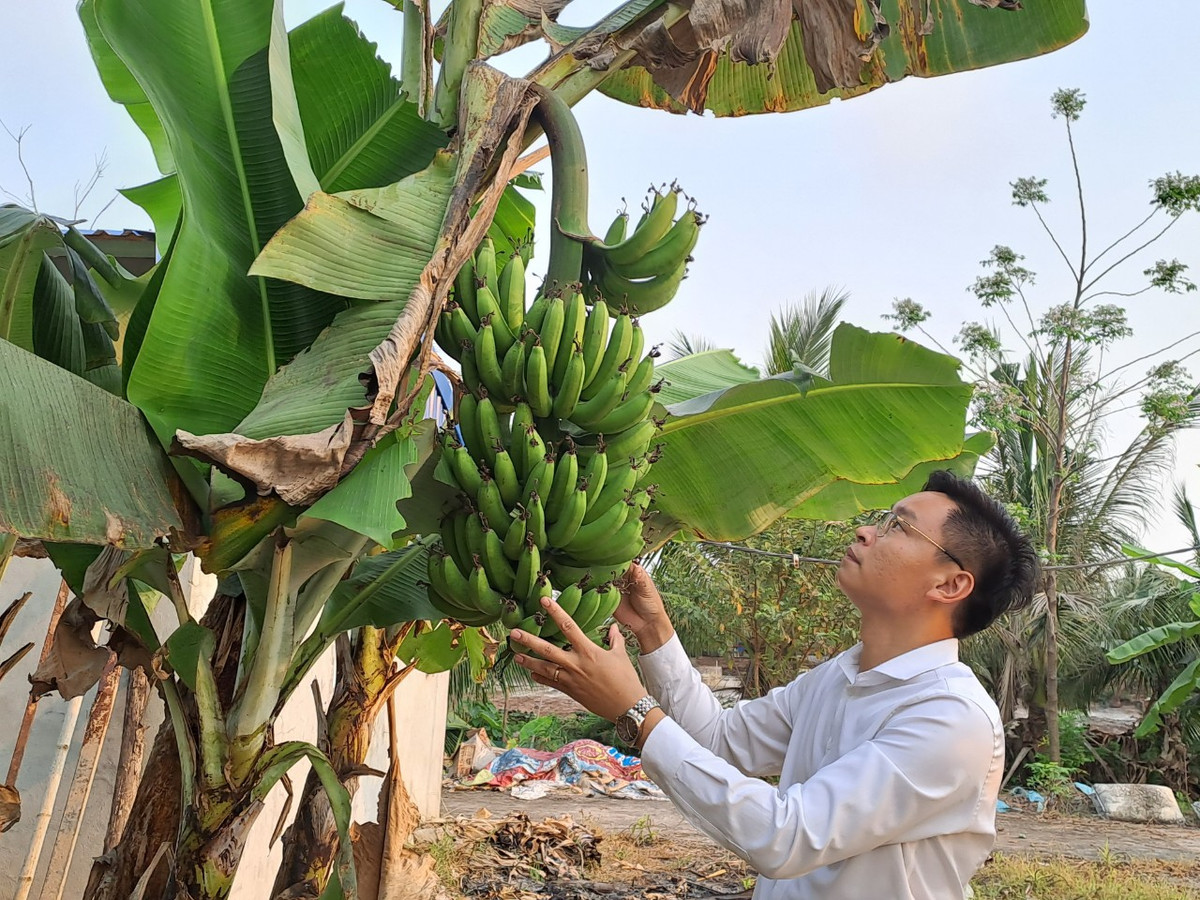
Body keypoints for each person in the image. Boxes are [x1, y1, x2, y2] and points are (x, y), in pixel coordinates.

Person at [509, 470, 1038, 899]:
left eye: (899, 527)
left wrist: (635, 711)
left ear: (950, 584)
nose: (866, 532)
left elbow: (788, 836)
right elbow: (718, 740)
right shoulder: (841, 674)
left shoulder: (952, 717)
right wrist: (653, 631)